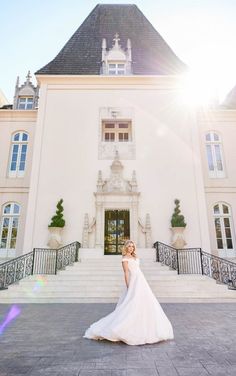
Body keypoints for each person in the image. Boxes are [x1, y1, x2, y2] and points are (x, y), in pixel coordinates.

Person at [83, 240, 174, 345]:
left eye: (132, 246)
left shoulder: (135, 257)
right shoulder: (125, 258)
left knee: (146, 302)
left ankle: (143, 324)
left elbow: (138, 269)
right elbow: (126, 273)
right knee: (132, 303)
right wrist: (128, 286)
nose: (131, 248)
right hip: (134, 282)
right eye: (129, 246)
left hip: (141, 281)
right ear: (126, 248)